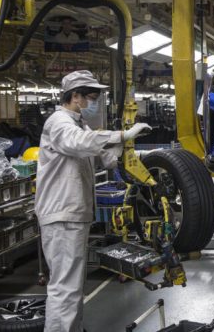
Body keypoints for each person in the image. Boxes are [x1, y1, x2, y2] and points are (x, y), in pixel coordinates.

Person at [36, 70, 152, 332]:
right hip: (61, 214)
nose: (93, 103)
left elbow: (104, 157)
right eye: (89, 97)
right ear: (74, 96)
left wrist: (126, 146)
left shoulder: (79, 126)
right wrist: (121, 136)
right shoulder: (59, 123)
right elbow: (80, 143)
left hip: (74, 214)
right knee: (65, 287)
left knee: (73, 287)